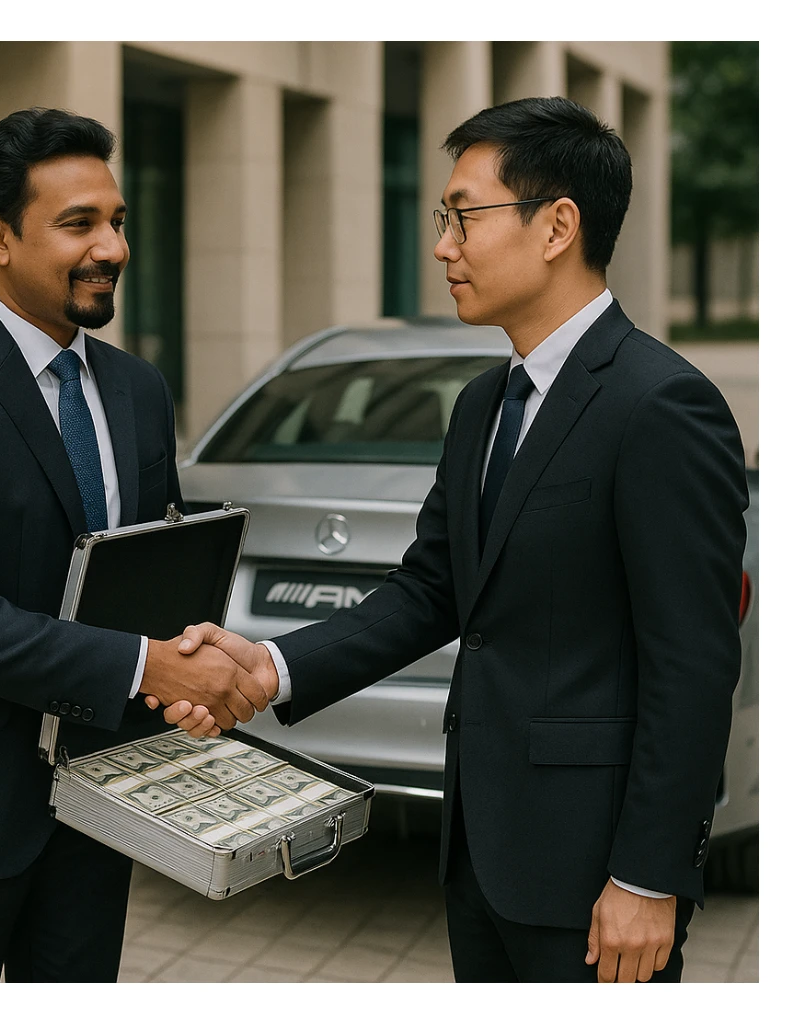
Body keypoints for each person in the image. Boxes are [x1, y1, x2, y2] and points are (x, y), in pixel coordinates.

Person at [157, 97, 749, 983]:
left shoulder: (661, 405)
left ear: (557, 227)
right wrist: (268, 668)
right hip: (480, 854)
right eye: (444, 219)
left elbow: (693, 663)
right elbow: (431, 591)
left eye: (463, 217)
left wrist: (648, 875)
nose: (442, 247)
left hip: (599, 881)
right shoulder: (482, 405)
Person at [0, 107, 267, 983]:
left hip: (99, 801)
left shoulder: (139, 389)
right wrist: (147, 666)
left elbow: (153, 577)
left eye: (117, 221)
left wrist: (197, 660)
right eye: (80, 224)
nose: (113, 248)